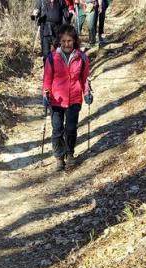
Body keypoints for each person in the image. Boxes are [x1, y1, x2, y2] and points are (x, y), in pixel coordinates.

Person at [42, 24, 92, 172]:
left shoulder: (82, 58)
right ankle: (59, 157)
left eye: (69, 41)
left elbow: (84, 79)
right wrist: (45, 93)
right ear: (59, 42)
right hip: (56, 99)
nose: (66, 44)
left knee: (71, 129)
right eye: (63, 41)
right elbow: (47, 79)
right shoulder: (52, 58)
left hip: (74, 98)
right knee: (57, 129)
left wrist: (87, 93)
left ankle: (70, 153)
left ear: (74, 41)